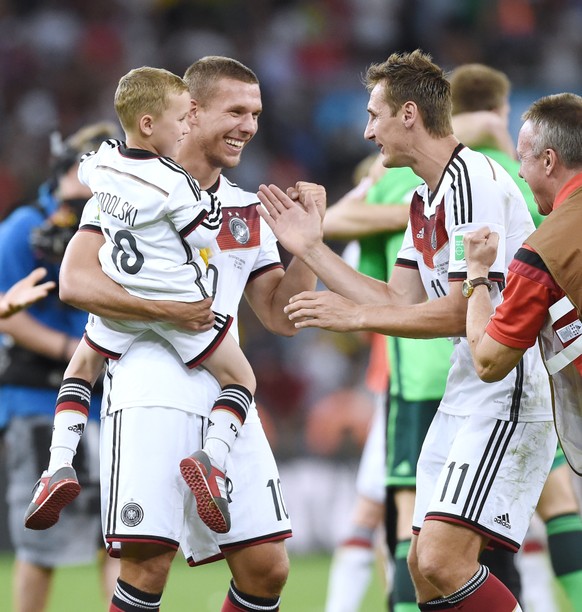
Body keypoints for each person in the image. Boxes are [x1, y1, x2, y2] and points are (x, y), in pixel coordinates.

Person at [256, 49, 556, 611]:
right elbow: (398, 298)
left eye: (375, 115)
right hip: (466, 389)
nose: (368, 132)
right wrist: (311, 248)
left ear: (410, 114)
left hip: (509, 390)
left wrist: (359, 317)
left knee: (445, 560)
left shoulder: (473, 182)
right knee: (420, 568)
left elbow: (466, 311)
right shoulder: (425, 197)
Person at [58, 56, 325, 612]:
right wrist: (164, 310)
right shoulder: (128, 188)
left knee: (267, 567)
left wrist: (308, 247)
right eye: (235, 111)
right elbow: (74, 279)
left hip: (226, 395)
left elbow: (279, 316)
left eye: (255, 113)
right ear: (191, 112)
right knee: (148, 563)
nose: (248, 126)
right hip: (149, 384)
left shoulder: (247, 210)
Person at [26, 66, 257, 536]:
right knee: (240, 377)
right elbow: (204, 237)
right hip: (179, 304)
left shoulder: (102, 163)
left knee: (81, 369)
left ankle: (57, 465)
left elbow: (84, 175)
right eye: (179, 120)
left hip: (120, 303)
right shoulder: (175, 184)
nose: (185, 128)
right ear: (150, 124)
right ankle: (212, 458)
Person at [450, 65, 582, 612]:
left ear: (547, 160)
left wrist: (478, 275)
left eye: (525, 160)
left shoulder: (543, 249)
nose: (521, 175)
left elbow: (488, 360)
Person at [0, 122, 120, 612]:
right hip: (38, 400)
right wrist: (78, 349)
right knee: (40, 543)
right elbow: (10, 315)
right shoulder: (23, 228)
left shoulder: (123, 227)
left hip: (106, 404)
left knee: (119, 539)